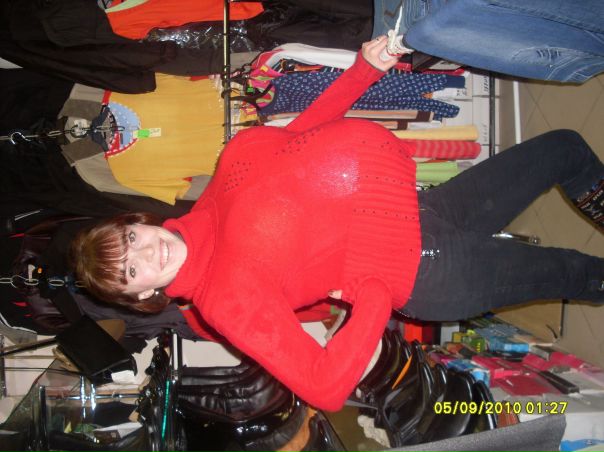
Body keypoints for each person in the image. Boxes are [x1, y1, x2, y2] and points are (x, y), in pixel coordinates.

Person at [70, 37, 604, 412]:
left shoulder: (210, 200)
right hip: (429, 271)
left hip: (426, 209)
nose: (148, 253)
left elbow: (298, 134)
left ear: (138, 222)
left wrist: (364, 72)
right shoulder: (223, 302)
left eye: (132, 239)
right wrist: (374, 298)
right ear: (143, 296)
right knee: (577, 273)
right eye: (133, 270)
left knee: (564, 148)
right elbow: (324, 387)